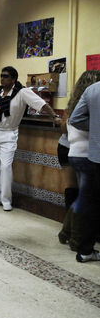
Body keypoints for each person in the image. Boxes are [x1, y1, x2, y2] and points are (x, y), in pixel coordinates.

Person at [0, 66, 59, 211]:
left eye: (6, 76)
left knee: (6, 167)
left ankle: (6, 199)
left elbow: (42, 104)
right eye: (1, 75)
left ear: (13, 79)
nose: (2, 78)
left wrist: (54, 116)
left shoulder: (22, 92)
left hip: (9, 133)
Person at [55, 73, 100, 248]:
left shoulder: (73, 103)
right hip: (85, 153)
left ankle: (69, 231)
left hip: (68, 149)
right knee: (84, 197)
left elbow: (65, 127)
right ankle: (76, 236)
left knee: (75, 193)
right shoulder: (92, 101)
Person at [69, 78, 100, 262]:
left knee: (93, 204)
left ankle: (85, 250)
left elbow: (76, 119)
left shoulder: (92, 89)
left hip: (96, 156)